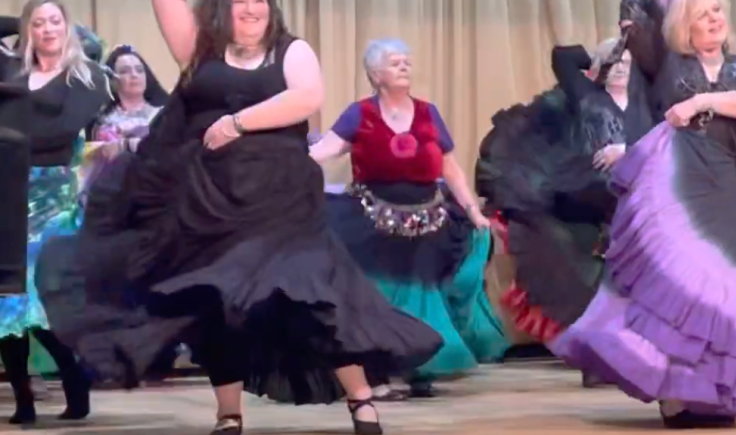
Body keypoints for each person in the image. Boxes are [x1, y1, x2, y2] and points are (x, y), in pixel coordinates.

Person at [36, 1, 445, 434]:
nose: (251, 6)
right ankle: (228, 415)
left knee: (315, 296)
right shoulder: (202, 49)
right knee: (218, 305)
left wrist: (237, 122)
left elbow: (306, 97)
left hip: (284, 201)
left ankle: (361, 401)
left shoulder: (291, 50)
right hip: (211, 203)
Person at [548, 0, 736, 428]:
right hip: (677, 183)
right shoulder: (667, 63)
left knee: (726, 291)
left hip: (733, 189)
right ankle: (673, 394)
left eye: (718, 9)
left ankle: (718, 395)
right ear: (682, 24)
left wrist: (699, 102)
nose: (715, 18)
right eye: (703, 12)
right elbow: (640, 14)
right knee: (679, 284)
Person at [310, 38, 506, 401]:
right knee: (382, 293)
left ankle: (422, 366)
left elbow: (450, 168)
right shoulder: (360, 113)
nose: (404, 67)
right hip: (373, 221)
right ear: (375, 74)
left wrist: (473, 210)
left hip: (430, 218)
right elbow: (325, 150)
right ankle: (380, 371)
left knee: (424, 291)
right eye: (394, 62)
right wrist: (281, 157)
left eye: (406, 61)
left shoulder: (428, 113)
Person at [480, 37, 655, 388]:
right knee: (590, 281)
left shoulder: (648, 105)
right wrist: (602, 56)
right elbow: (562, 56)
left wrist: (627, 151)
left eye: (627, 63)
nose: (621, 68)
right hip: (585, 197)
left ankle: (630, 357)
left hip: (637, 200)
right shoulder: (587, 96)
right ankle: (596, 359)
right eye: (614, 63)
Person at [0, 1, 111, 424]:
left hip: (51, 198)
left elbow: (59, 132)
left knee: (42, 300)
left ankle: (75, 381)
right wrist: (18, 22)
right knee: (6, 301)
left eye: (55, 21)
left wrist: (11, 132)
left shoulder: (87, 76)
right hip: (7, 190)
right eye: (38, 23)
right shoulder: (13, 70)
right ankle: (23, 400)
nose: (47, 29)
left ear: (69, 27)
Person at [82, 44, 168, 197]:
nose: (134, 75)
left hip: (156, 191)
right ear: (112, 80)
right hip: (110, 194)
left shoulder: (164, 114)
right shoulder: (99, 121)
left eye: (139, 70)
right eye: (124, 71)